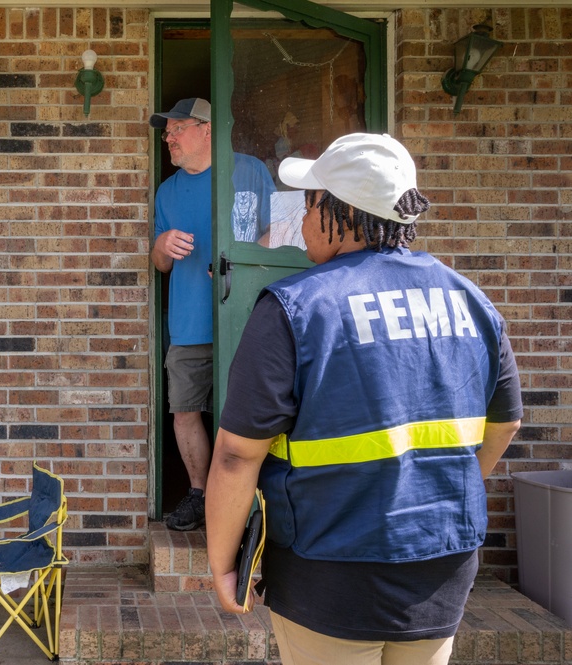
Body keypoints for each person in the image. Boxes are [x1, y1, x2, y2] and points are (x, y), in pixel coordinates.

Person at [205, 132, 523, 664]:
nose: (302, 222)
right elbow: (505, 425)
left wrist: (222, 563)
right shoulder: (472, 301)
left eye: (309, 206)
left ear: (341, 213)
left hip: (327, 575)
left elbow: (238, 454)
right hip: (441, 567)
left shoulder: (293, 308)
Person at [149, 97, 275, 531]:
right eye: (166, 132)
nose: (168, 138)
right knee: (184, 410)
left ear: (206, 129)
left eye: (176, 129)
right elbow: (159, 263)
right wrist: (161, 246)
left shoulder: (250, 171)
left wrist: (242, 259)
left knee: (245, 410)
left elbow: (279, 232)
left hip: (245, 317)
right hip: (188, 322)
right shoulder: (168, 191)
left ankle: (251, 500)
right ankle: (201, 495)